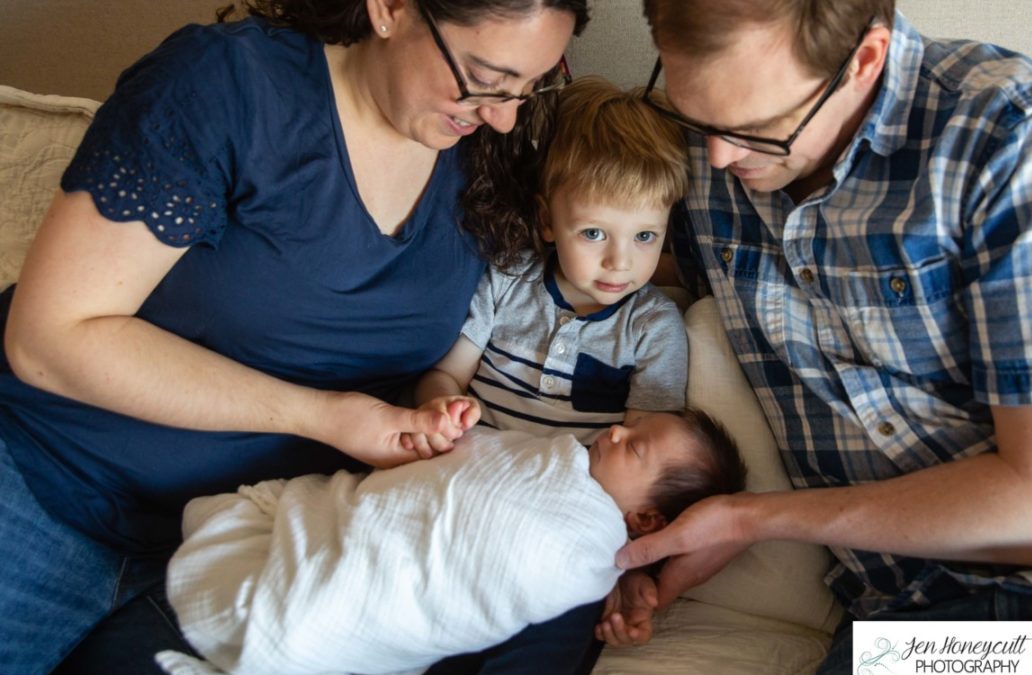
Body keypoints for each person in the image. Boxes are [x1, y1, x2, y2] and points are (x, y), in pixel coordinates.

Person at [0, 0, 592, 672]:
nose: (503, 113)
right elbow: (51, 338)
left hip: (252, 547)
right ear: (389, 9)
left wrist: (431, 405)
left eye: (528, 86)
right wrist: (324, 416)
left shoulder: (490, 155)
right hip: (46, 479)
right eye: (485, 77)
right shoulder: (226, 86)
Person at [599, 0, 1032, 670]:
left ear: (865, 61)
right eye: (697, 116)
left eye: (758, 128)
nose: (719, 155)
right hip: (892, 627)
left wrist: (749, 518)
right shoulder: (708, 159)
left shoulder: (1011, 134)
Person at [156, 409, 746, 675]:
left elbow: (550, 564)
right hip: (362, 525)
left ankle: (310, 627)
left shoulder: (591, 553)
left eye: (635, 447)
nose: (615, 431)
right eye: (631, 425)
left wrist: (622, 585)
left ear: (644, 520)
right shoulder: (557, 456)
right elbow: (475, 465)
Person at [409, 75, 691, 456]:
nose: (620, 262)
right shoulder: (508, 280)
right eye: (593, 233)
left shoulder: (653, 327)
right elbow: (445, 375)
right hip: (473, 464)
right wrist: (440, 407)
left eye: (644, 237)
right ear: (546, 221)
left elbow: (642, 450)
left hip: (570, 489)